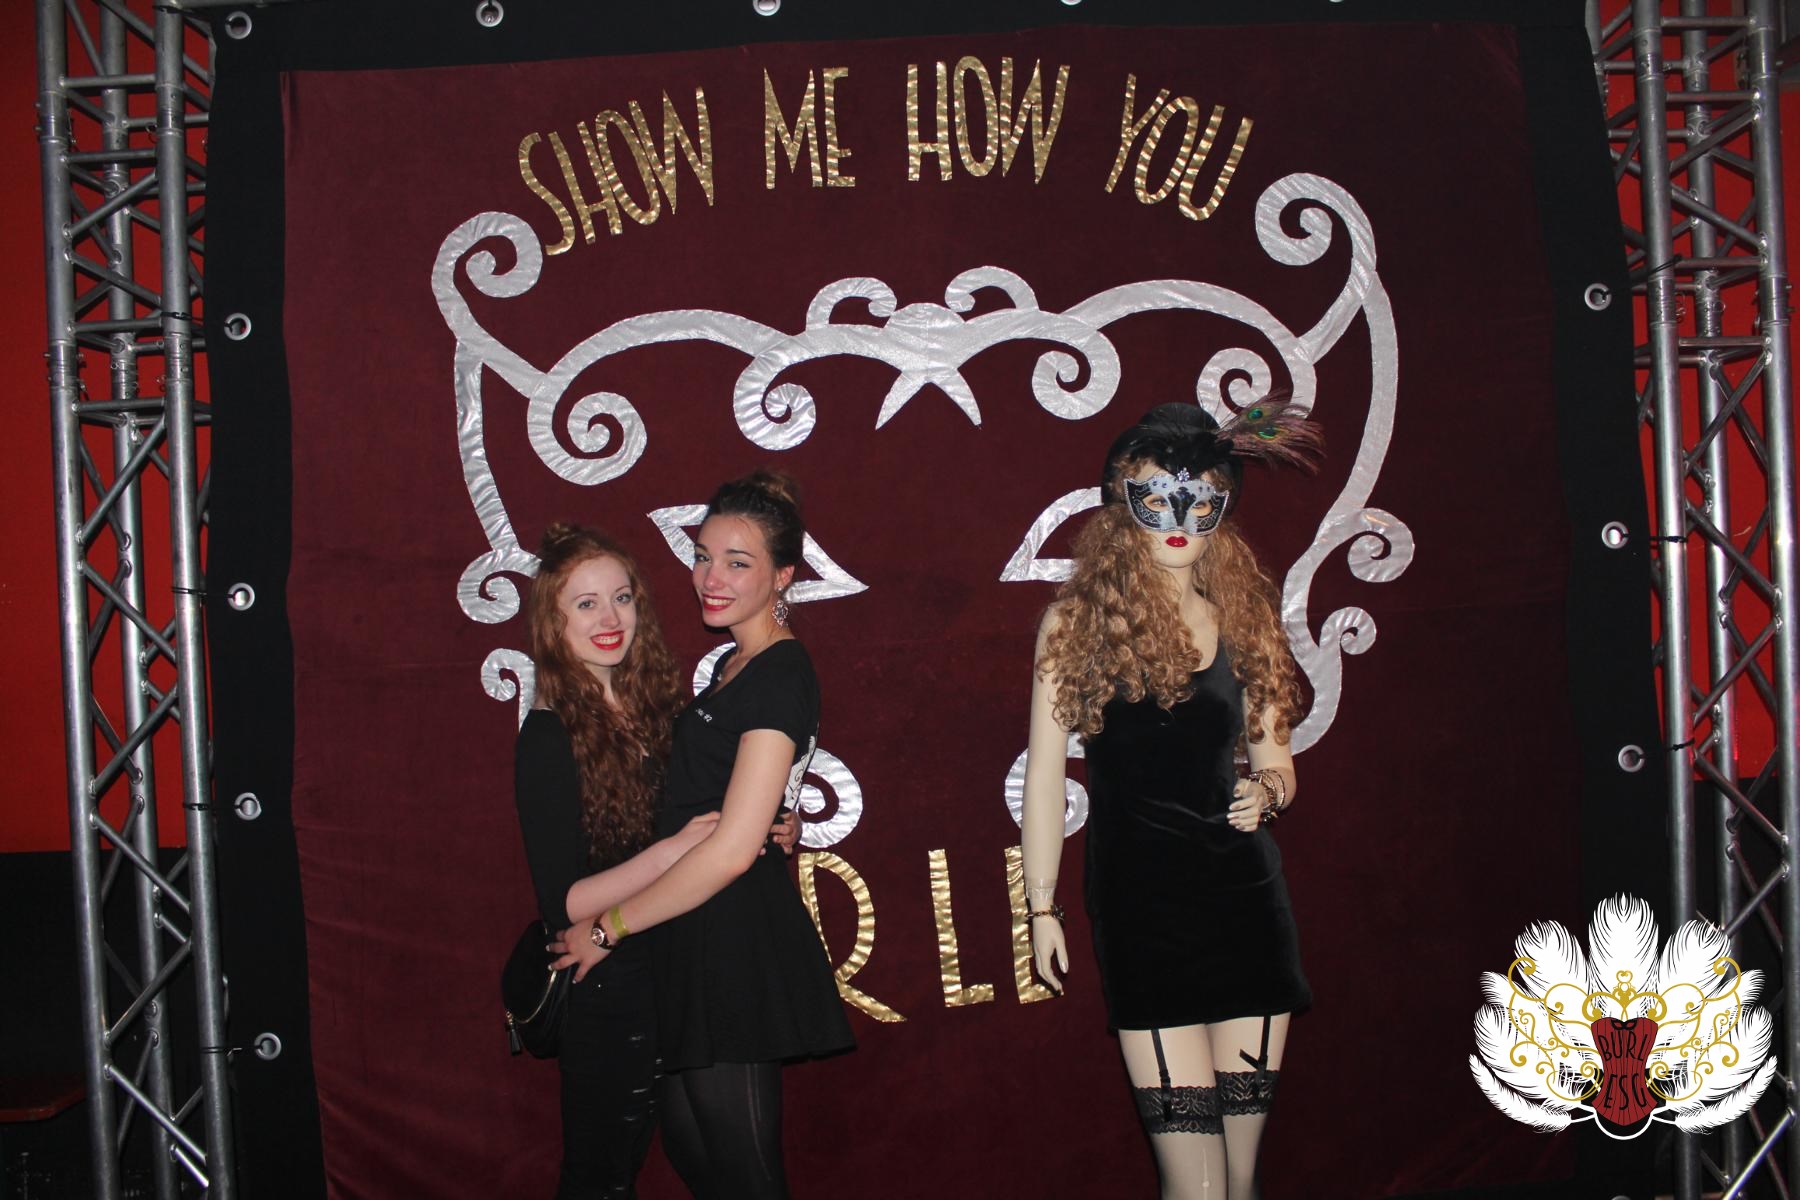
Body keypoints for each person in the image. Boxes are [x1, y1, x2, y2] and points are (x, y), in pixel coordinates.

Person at [1022, 402, 1317, 1200]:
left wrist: (1266, 790)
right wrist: (1041, 907)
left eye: (1201, 500)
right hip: (1143, 912)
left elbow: (1278, 762)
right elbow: (1045, 776)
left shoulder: (1245, 620)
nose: (1180, 520)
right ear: (1123, 504)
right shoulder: (1074, 626)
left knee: (1241, 1180)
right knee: (1197, 1188)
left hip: (1245, 904)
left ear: (1225, 506)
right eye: (1157, 498)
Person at [554, 469, 854, 1200]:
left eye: (737, 562)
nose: (710, 579)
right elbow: (723, 808)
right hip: (692, 936)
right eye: (702, 556)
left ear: (783, 576)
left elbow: (730, 851)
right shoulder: (732, 664)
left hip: (733, 945)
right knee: (700, 1159)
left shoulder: (780, 672)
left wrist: (609, 928)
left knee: (746, 1178)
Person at [514, 523, 795, 1198]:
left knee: (712, 1165)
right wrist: (674, 849)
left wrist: (767, 825)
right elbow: (565, 904)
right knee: (600, 1180)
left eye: (621, 598)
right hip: (609, 990)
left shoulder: (665, 710)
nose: (610, 619)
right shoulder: (548, 737)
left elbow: (713, 820)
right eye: (586, 604)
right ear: (554, 622)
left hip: (684, 969)